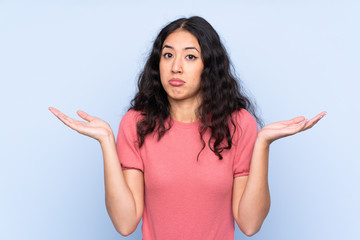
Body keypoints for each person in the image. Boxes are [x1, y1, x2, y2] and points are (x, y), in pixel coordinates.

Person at [49, 16, 326, 239]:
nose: (176, 67)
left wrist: (263, 143)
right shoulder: (136, 124)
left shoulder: (240, 124)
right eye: (168, 55)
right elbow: (125, 224)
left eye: (190, 57)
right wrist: (107, 142)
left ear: (209, 66)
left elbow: (250, 225)